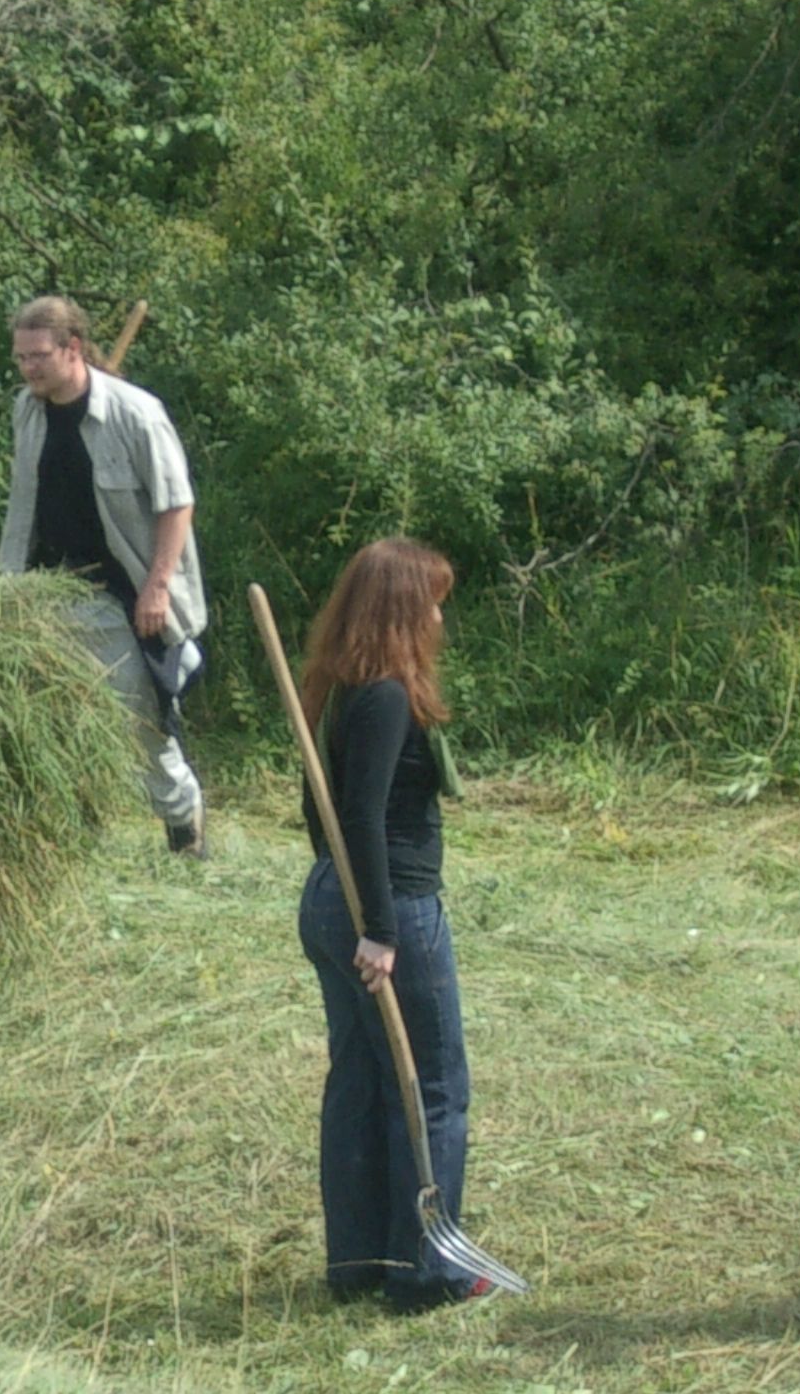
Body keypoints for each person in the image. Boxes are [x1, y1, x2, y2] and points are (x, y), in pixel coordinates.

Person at [296, 537, 486, 1312]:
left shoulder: (343, 689)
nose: (442, 613)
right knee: (429, 1086)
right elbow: (360, 817)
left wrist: (344, 909)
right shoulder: (381, 697)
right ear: (406, 608)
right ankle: (426, 1271)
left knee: (364, 1080)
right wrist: (377, 928)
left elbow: (321, 810)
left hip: (336, 905)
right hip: (391, 912)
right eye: (434, 599)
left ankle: (361, 1262)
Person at [0, 294, 208, 855]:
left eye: (38, 356)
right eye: (20, 358)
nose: (27, 369)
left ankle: (185, 829)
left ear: (72, 348)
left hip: (123, 595)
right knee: (46, 714)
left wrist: (157, 587)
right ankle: (69, 831)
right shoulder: (27, 409)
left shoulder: (136, 414)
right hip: (44, 591)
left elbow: (176, 505)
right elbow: (28, 506)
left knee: (142, 723)